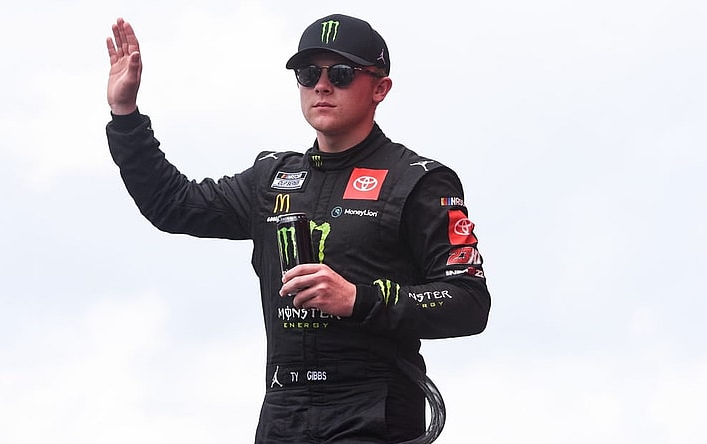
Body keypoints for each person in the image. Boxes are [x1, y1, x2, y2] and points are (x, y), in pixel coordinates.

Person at [105, 13, 491, 443]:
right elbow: (172, 205)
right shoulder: (271, 177)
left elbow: (468, 302)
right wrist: (125, 115)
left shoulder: (419, 180)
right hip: (284, 413)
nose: (322, 86)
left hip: (374, 411)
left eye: (340, 74)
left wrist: (358, 299)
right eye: (308, 74)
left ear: (380, 88)